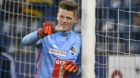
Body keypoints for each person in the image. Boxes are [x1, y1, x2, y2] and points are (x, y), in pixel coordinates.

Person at [22, 0, 81, 78]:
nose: (64, 21)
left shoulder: (80, 40)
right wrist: (39, 33)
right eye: (62, 17)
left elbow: (81, 68)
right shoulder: (46, 34)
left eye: (68, 18)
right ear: (57, 16)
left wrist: (77, 70)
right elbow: (25, 41)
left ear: (75, 20)